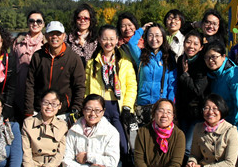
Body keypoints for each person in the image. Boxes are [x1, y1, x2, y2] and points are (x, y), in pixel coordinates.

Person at [85, 25, 137, 155]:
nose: (108, 42)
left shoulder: (125, 62)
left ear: (117, 39)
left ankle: (124, 166)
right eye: (105, 39)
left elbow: (131, 86)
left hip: (118, 107)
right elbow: (86, 88)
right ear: (99, 39)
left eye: (112, 39)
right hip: (98, 108)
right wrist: (87, 107)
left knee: (123, 143)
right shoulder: (92, 63)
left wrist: (127, 106)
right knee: (99, 143)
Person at [24, 21, 86, 118]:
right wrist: (29, 110)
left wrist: (76, 109)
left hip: (63, 112)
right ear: (45, 35)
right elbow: (30, 84)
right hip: (39, 110)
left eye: (58, 34)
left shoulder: (73, 58)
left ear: (64, 36)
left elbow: (80, 86)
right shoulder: (37, 56)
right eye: (51, 33)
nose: (55, 37)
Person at [135, 23, 177, 126]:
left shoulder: (168, 57)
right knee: (143, 134)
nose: (154, 39)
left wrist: (169, 105)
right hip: (142, 104)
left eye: (157, 35)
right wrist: (142, 29)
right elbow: (132, 43)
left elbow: (172, 83)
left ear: (163, 37)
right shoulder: (141, 55)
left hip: (160, 106)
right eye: (150, 35)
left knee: (160, 134)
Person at [176, 30, 209, 156]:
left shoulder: (202, 63)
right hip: (183, 111)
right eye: (188, 42)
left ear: (201, 47)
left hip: (197, 112)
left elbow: (197, 90)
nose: (191, 46)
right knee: (180, 144)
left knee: (188, 147)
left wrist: (185, 75)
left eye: (195, 44)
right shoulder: (181, 60)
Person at [204, 41, 238, 134]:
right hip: (220, 126)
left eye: (214, 57)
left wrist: (235, 131)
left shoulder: (233, 76)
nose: (210, 60)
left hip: (237, 128)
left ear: (223, 56)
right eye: (207, 57)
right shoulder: (213, 74)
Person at [13, 10, 46, 114]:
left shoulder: (47, 43)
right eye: (31, 21)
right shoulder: (18, 41)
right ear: (27, 23)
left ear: (43, 24)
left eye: (39, 21)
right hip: (19, 87)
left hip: (39, 89)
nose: (35, 23)